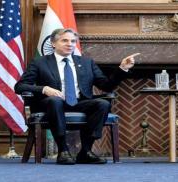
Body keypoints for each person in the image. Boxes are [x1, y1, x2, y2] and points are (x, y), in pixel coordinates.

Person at [15, 28, 140, 165]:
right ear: (53, 43)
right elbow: (20, 86)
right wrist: (44, 89)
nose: (70, 44)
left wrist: (122, 68)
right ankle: (63, 150)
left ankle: (85, 151)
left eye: (73, 41)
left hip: (79, 102)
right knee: (55, 101)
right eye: (65, 40)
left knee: (102, 104)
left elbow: (106, 86)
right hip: (50, 104)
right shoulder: (40, 62)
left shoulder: (86, 62)